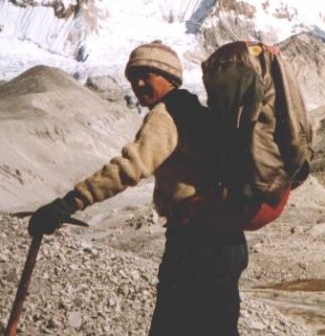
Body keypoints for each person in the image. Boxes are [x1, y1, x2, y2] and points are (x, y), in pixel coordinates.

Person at [27, 40, 247, 336]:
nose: (139, 83)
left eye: (147, 74)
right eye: (133, 78)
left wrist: (70, 202)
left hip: (195, 243)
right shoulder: (199, 112)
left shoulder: (167, 114)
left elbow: (129, 167)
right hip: (228, 243)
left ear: (170, 77)